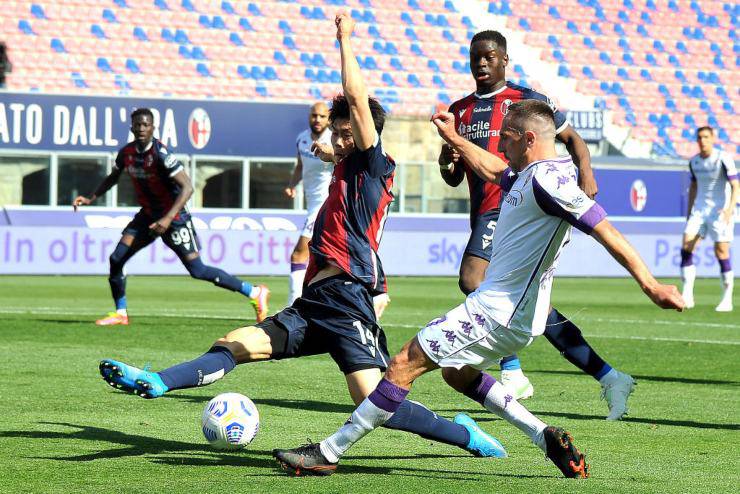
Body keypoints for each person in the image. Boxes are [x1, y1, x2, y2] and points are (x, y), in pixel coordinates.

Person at [97, 15, 507, 460]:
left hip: (348, 297)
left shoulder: (375, 164)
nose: (336, 134)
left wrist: (345, 39)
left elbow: (355, 98)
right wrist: (331, 151)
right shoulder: (345, 165)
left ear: (364, 127)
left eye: (345, 128)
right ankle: (158, 381)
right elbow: (337, 145)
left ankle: (463, 434)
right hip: (314, 302)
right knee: (235, 343)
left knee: (376, 403)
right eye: (335, 128)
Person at [273, 100, 684, 478]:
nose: (498, 139)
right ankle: (543, 435)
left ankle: (328, 452)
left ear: (528, 139)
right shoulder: (530, 174)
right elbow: (492, 170)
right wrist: (454, 139)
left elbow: (602, 226)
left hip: (498, 312)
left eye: (505, 134)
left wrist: (650, 284)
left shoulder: (553, 182)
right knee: (456, 373)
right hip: (508, 311)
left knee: (403, 364)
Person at [439, 30, 634, 420]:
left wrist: (587, 173)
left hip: (517, 206)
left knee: (473, 279)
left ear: (505, 60)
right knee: (531, 306)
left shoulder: (529, 101)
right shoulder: (459, 110)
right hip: (487, 211)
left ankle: (511, 372)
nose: (481, 63)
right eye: (475, 57)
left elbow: (574, 140)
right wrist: (447, 160)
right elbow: (453, 178)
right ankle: (610, 375)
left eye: (489, 57)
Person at [73, 108, 270, 325]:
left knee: (198, 270)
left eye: (145, 125)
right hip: (147, 217)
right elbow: (113, 177)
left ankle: (254, 293)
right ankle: (121, 313)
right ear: (131, 127)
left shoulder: (160, 154)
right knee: (117, 258)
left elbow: (187, 187)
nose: (141, 128)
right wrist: (91, 198)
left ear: (152, 128)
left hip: (174, 218)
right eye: (137, 125)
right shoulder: (127, 153)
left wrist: (167, 219)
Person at [286, 102, 391, 318]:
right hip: (316, 203)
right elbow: (300, 166)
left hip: (330, 205)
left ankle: (295, 303)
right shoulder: (302, 139)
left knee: (300, 254)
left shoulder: (364, 152)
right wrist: (292, 184)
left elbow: (355, 163)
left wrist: (333, 152)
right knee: (318, 263)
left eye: (321, 116)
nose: (317, 119)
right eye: (313, 115)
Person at [680, 126, 738, 312]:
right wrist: (689, 211)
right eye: (699, 137)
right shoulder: (694, 162)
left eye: (706, 137)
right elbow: (694, 187)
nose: (702, 140)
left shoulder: (723, 158)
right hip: (699, 211)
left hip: (720, 211)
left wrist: (730, 209)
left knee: (721, 251)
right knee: (687, 245)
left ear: (713, 138)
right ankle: (687, 294)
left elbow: (736, 185)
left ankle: (727, 298)